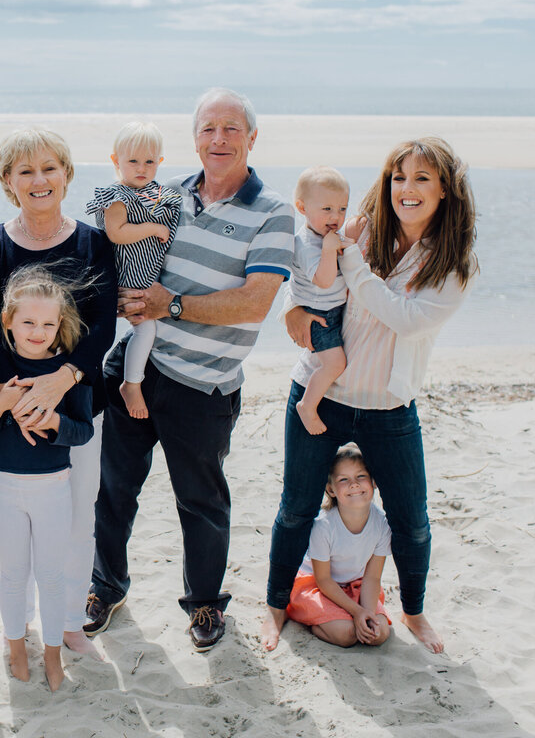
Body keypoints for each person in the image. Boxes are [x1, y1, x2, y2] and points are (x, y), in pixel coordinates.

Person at [87, 88, 294, 651]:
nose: (218, 139)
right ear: (195, 138)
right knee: (112, 489)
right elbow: (120, 251)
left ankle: (204, 603)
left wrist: (168, 305)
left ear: (252, 138)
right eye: (207, 129)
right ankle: (105, 585)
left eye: (231, 129)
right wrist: (124, 300)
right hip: (136, 366)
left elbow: (255, 303)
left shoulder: (273, 212)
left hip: (203, 385)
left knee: (201, 502)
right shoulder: (167, 194)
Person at [261, 136, 478, 655]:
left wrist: (354, 264)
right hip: (322, 389)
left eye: (422, 178)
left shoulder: (452, 265)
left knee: (411, 519)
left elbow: (403, 316)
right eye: (399, 177)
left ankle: (415, 612)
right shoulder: (364, 226)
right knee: (295, 508)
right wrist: (292, 310)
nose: (406, 189)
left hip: (388, 408)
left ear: (444, 190)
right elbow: (312, 271)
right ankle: (274, 609)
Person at [0, 127, 117, 657]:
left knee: (78, 518)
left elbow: (103, 325)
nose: (40, 180)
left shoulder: (95, 242)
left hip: (79, 404)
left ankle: (68, 621)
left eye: (49, 168)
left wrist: (64, 379)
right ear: (9, 182)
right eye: (25, 171)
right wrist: (16, 399)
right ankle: (17, 622)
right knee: (8, 528)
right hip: (8, 409)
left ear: (67, 174)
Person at [0, 264, 94, 691]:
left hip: (53, 488)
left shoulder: (67, 375)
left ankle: (54, 654)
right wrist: (1, 404)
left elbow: (83, 430)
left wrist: (56, 420)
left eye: (47, 323)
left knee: (52, 574)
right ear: (9, 322)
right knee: (13, 573)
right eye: (28, 322)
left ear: (60, 324)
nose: (37, 331)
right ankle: (17, 646)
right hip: (4, 486)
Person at [84, 121, 181, 419]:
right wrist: (152, 227)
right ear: (116, 161)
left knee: (155, 326)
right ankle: (132, 383)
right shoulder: (117, 196)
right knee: (145, 327)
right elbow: (117, 233)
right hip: (129, 276)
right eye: (133, 161)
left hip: (150, 274)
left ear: (160, 162)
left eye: (150, 161)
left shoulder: (158, 195)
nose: (142, 168)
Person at [283, 446, 391, 648]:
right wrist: (356, 612)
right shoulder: (324, 526)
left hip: (356, 585)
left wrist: (366, 614)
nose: (354, 484)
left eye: (361, 476)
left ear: (373, 481)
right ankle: (318, 623)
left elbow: (372, 577)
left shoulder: (382, 523)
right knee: (347, 635)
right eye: (343, 479)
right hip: (318, 585)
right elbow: (323, 579)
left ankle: (347, 617)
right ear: (331, 489)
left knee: (379, 633)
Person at [289, 166, 351, 436]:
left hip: (331, 310)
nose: (336, 217)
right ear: (302, 208)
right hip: (317, 315)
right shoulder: (306, 244)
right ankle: (307, 405)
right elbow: (324, 280)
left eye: (342, 209)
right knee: (335, 364)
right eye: (327, 209)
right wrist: (329, 249)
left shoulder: (322, 236)